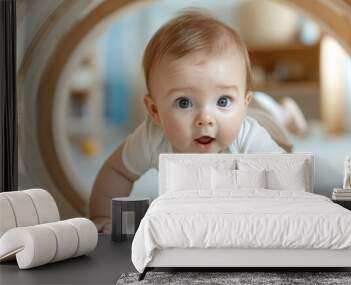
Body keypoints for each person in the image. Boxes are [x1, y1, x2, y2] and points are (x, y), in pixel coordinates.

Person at [89, 9, 285, 233]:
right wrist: (102, 216)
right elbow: (118, 171)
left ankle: (283, 111)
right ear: (155, 111)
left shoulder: (247, 136)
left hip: (266, 124)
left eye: (222, 101)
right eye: (184, 103)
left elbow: (285, 174)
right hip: (244, 108)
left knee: (276, 118)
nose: (205, 119)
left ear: (243, 102)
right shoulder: (151, 137)